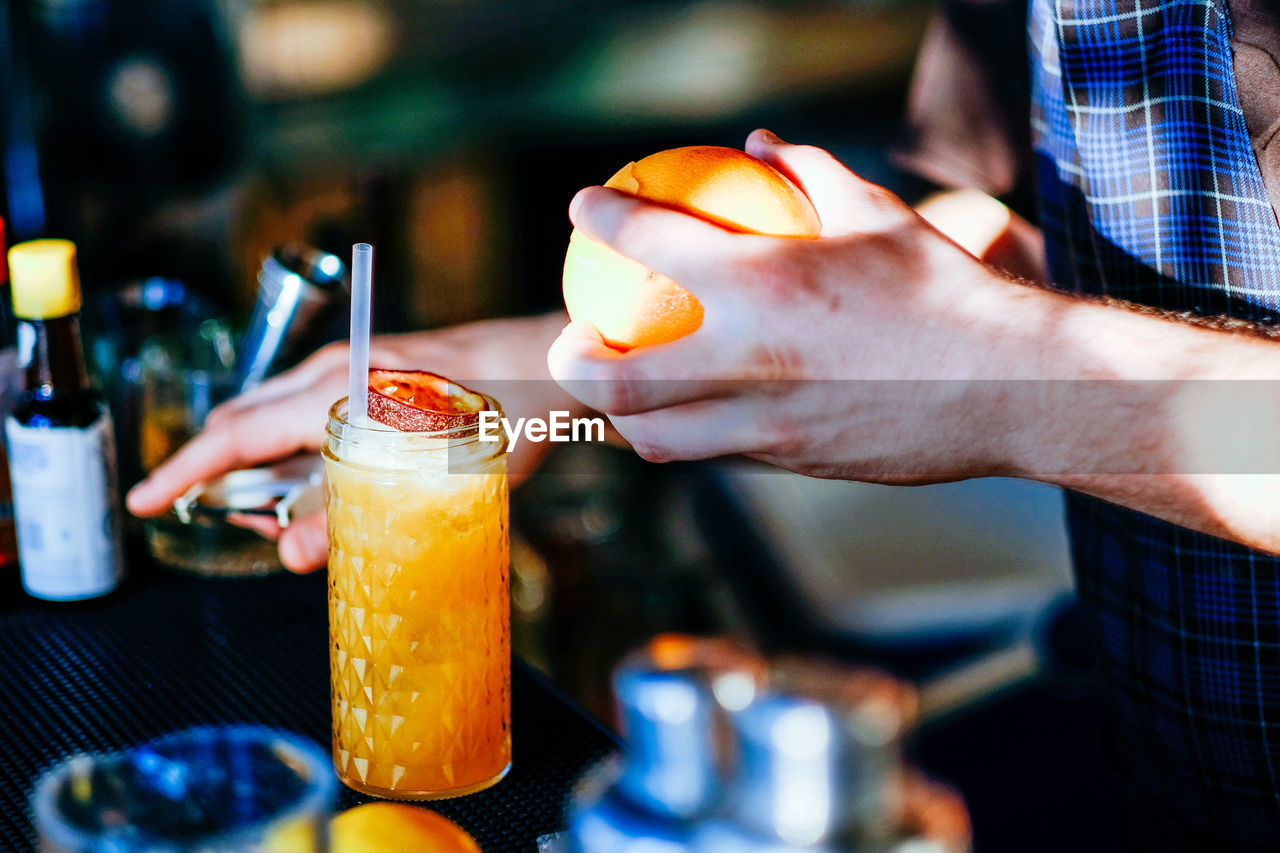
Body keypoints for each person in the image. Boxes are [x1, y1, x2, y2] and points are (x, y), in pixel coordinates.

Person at [128, 0, 1280, 847]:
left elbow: (997, 334)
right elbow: (1017, 234)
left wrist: (1004, 378)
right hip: (1167, 775)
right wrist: (567, 361)